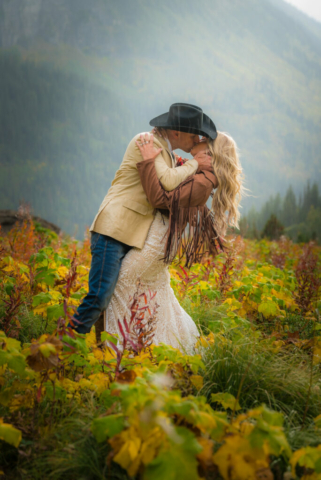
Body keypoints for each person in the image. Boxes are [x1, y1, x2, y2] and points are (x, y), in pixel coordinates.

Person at [70, 103, 216, 335]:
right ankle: (63, 345)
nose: (198, 137)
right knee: (100, 295)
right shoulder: (146, 141)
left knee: (112, 295)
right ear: (177, 132)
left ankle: (95, 351)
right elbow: (168, 182)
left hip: (132, 232)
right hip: (115, 228)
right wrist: (196, 163)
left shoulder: (165, 152)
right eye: (194, 132)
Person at [103, 129, 244, 353]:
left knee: (122, 285)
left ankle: (119, 353)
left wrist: (149, 161)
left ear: (210, 151)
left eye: (203, 139)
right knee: (156, 295)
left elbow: (160, 198)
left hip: (157, 243)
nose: (197, 138)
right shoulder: (201, 170)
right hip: (158, 238)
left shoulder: (204, 180)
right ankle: (156, 347)